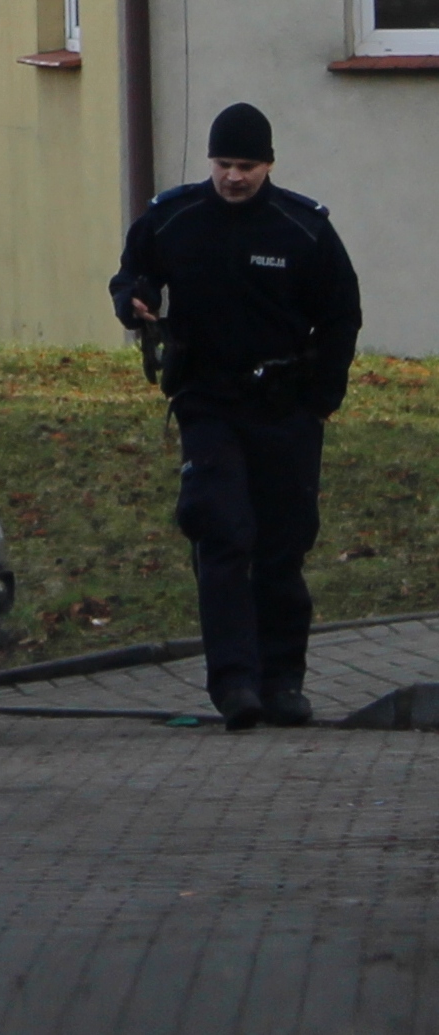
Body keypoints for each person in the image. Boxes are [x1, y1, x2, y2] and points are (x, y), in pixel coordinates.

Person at [111, 102, 362, 731]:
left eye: (246, 166)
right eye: (224, 164)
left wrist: (321, 400)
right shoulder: (176, 218)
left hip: (285, 407)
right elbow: (133, 272)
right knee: (221, 532)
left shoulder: (301, 229)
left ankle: (283, 682)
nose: (233, 178)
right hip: (207, 402)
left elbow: (340, 316)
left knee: (281, 546)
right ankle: (235, 684)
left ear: (268, 165)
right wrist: (133, 300)